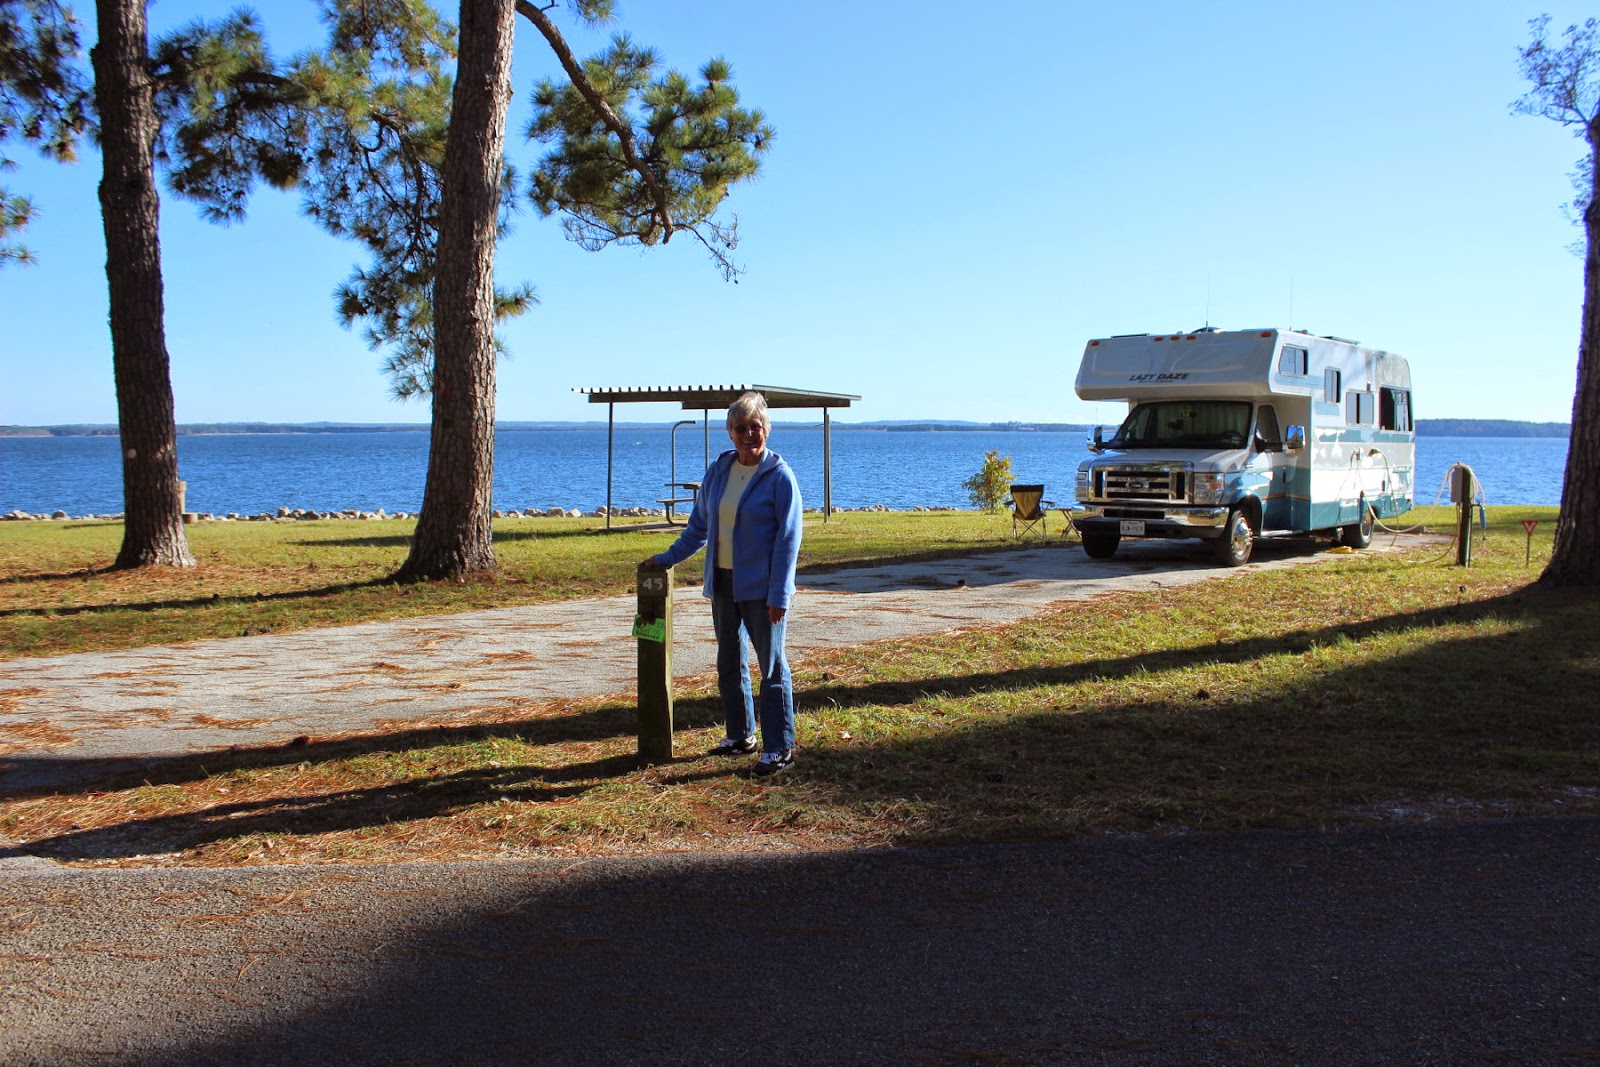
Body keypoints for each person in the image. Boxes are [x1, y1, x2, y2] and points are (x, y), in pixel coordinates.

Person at [643, 391, 802, 777]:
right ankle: (740, 735)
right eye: (741, 428)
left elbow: (788, 540)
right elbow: (699, 528)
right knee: (729, 662)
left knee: (772, 667)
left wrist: (780, 593)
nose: (749, 434)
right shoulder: (718, 471)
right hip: (724, 582)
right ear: (730, 433)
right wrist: (665, 559)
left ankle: (779, 747)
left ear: (767, 430)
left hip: (762, 589)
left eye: (756, 427)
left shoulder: (779, 475)